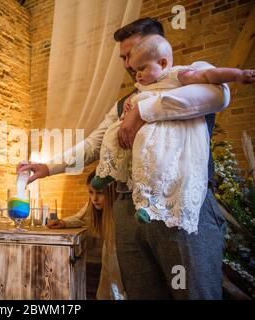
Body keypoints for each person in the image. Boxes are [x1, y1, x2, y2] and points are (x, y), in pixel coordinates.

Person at [18, 17, 231, 299]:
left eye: (131, 55)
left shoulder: (192, 74)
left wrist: (143, 112)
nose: (128, 65)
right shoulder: (124, 102)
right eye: (123, 58)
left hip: (182, 208)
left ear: (158, 49)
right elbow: (94, 143)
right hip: (128, 211)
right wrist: (49, 166)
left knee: (195, 294)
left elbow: (219, 95)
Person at [95, 34, 255, 234]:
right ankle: (106, 173)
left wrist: (238, 75)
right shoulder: (142, 86)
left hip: (164, 134)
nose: (136, 75)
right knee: (113, 133)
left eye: (141, 68)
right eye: (135, 69)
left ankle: (147, 205)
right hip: (137, 151)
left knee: (151, 159)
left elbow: (209, 78)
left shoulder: (179, 75)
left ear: (162, 63)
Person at [47, 171, 125, 300]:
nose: (94, 199)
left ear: (110, 192)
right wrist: (63, 223)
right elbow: (80, 218)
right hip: (90, 267)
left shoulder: (117, 215)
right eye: (91, 192)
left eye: (100, 193)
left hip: (112, 272)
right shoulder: (90, 209)